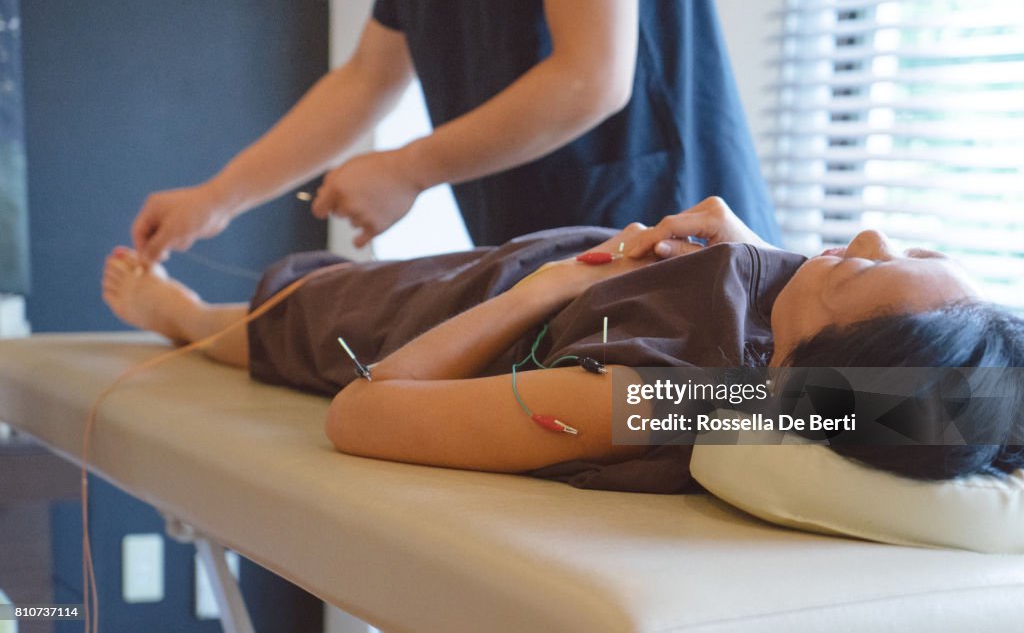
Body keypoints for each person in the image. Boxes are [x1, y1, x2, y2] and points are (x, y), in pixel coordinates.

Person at [104, 197, 1024, 492]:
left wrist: (556, 285)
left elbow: (363, 409)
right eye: (914, 248)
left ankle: (187, 319)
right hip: (522, 277)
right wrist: (748, 256)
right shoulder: (837, 377)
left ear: (798, 377)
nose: (862, 241)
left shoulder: (689, 401)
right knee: (327, 290)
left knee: (307, 315)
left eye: (858, 276)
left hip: (465, 315)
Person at [129, 0, 780, 264]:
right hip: (552, 269)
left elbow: (592, 76)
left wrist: (407, 169)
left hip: (679, 249)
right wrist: (216, 198)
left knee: (770, 425)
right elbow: (366, 78)